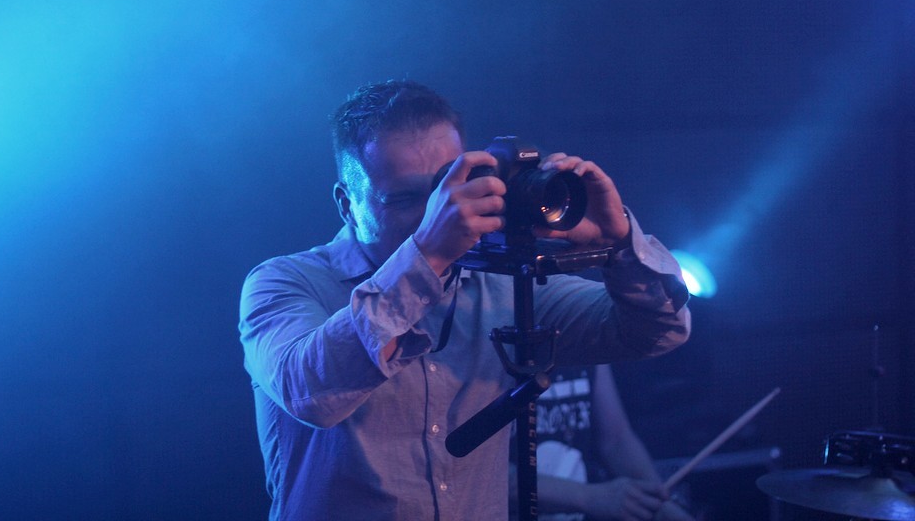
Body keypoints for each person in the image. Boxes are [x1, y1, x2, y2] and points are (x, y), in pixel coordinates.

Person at [239, 80, 691, 521]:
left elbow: (659, 331)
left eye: (447, 188)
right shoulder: (283, 282)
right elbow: (312, 394)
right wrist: (427, 256)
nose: (438, 213)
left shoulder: (499, 283)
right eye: (405, 199)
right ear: (347, 204)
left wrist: (620, 246)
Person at [525, 364, 695, 521]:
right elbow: (507, 478)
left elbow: (616, 440)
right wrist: (591, 497)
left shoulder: (588, 345)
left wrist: (660, 503)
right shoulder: (509, 353)